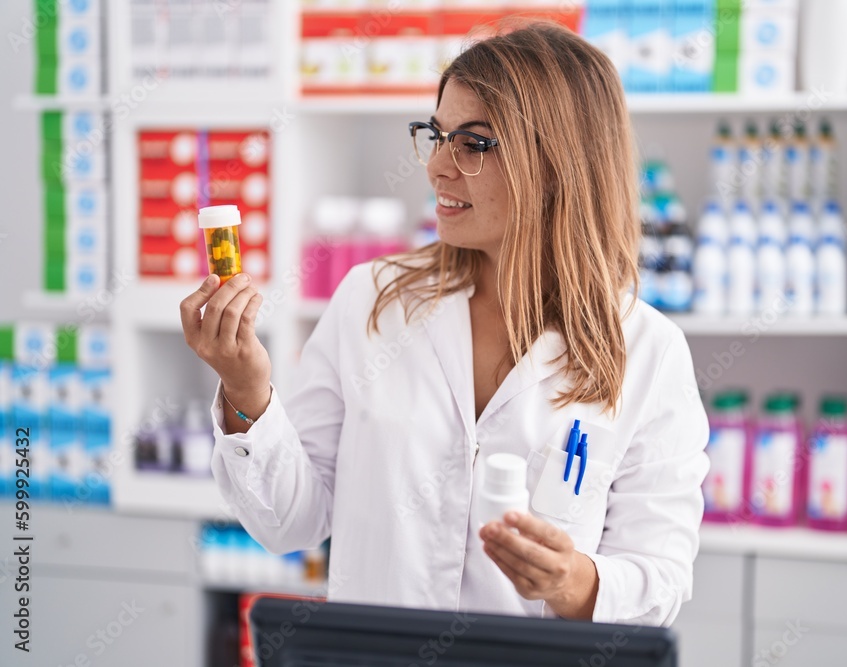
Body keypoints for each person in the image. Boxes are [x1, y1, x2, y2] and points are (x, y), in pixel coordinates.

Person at [180, 21, 709, 626]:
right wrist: (247, 391)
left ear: (558, 161)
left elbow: (661, 580)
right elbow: (289, 521)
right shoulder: (373, 301)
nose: (437, 167)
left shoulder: (648, 351)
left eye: (474, 144)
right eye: (437, 136)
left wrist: (572, 582)